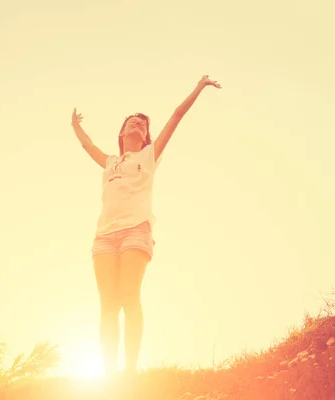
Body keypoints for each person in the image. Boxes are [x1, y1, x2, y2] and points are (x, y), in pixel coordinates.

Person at [71, 75, 222, 379]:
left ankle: (129, 371)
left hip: (135, 232)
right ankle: (109, 373)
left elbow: (176, 116)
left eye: (143, 124)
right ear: (122, 131)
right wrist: (75, 125)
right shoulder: (110, 161)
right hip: (104, 237)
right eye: (132, 122)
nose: (138, 125)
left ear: (147, 136)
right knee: (108, 305)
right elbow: (87, 146)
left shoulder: (149, 156)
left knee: (129, 296)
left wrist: (199, 86)